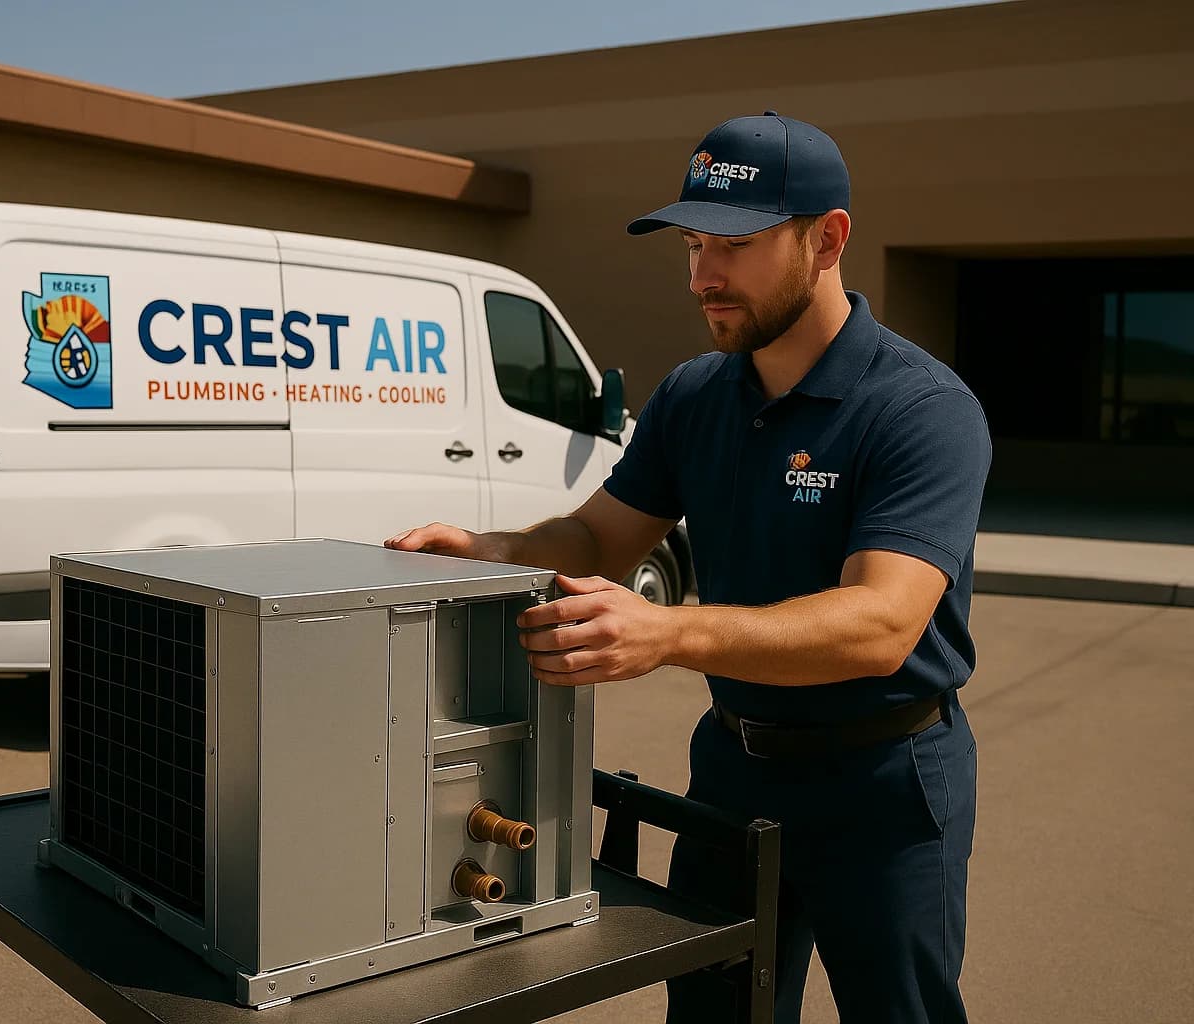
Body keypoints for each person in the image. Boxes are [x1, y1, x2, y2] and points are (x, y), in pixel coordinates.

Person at [385, 111, 991, 1024]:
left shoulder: (920, 408)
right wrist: (489, 549)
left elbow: (882, 624)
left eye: (737, 244)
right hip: (737, 772)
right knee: (713, 1013)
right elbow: (598, 540)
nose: (705, 274)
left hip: (884, 779)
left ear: (827, 240)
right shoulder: (696, 393)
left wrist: (666, 633)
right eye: (695, 243)